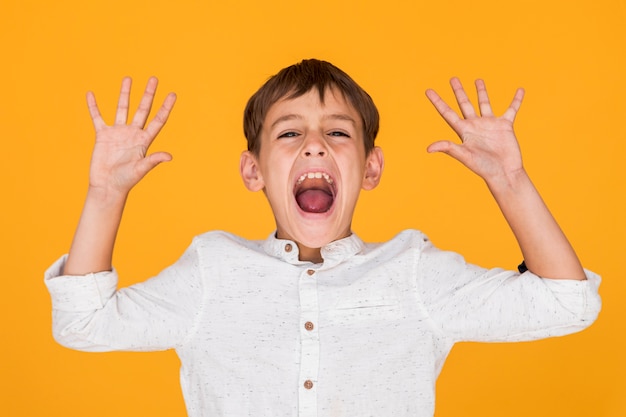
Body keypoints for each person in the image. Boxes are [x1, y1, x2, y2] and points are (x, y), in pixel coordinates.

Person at [45, 59, 601, 417]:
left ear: (371, 168)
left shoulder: (414, 271)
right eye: (290, 133)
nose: (315, 146)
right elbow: (83, 323)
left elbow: (565, 303)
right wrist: (105, 194)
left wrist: (509, 181)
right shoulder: (213, 270)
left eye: (338, 132)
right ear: (253, 171)